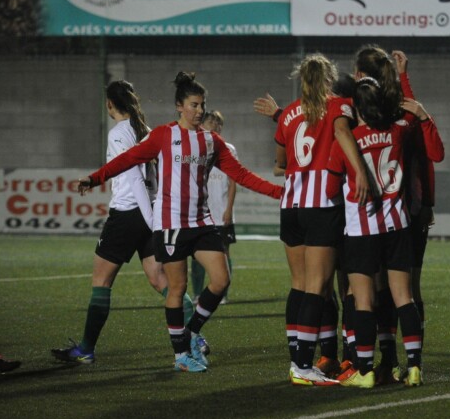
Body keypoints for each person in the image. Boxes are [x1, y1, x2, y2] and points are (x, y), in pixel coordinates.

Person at [77, 72, 283, 373]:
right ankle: (181, 356)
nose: (199, 111)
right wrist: (95, 178)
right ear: (179, 106)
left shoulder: (212, 142)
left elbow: (242, 175)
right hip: (171, 224)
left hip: (201, 221)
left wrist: (279, 192)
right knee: (177, 288)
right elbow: (128, 160)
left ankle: (191, 330)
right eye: (194, 105)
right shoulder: (163, 135)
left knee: (220, 280)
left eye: (202, 105)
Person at [52, 80, 197, 365]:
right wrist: (154, 217)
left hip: (130, 213)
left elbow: (131, 176)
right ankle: (196, 338)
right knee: (161, 281)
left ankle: (85, 350)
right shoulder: (144, 128)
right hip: (150, 211)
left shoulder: (119, 132)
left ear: (109, 104)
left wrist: (149, 220)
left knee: (101, 281)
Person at [327, 75, 444, 388]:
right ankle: (415, 368)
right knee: (404, 297)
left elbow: (329, 187)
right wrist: (410, 90)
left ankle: (364, 372)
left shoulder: (348, 141)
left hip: (361, 231)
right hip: (397, 226)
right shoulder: (400, 132)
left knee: (363, 301)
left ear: (356, 108)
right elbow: (428, 144)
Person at [267, 53, 369, 386]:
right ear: (328, 79)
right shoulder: (339, 106)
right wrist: (360, 172)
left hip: (291, 203)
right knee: (318, 287)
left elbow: (281, 161)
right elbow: (342, 133)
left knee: (299, 284)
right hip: (322, 203)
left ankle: (297, 355)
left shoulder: (288, 115)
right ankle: (301, 365)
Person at [190, 111, 237, 305]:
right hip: (199, 213)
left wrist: (229, 209)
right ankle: (197, 294)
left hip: (221, 213)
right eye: (211, 121)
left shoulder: (229, 149)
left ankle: (222, 294)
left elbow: (234, 182)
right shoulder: (194, 148)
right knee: (195, 253)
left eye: (218, 122)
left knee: (223, 252)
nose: (215, 125)